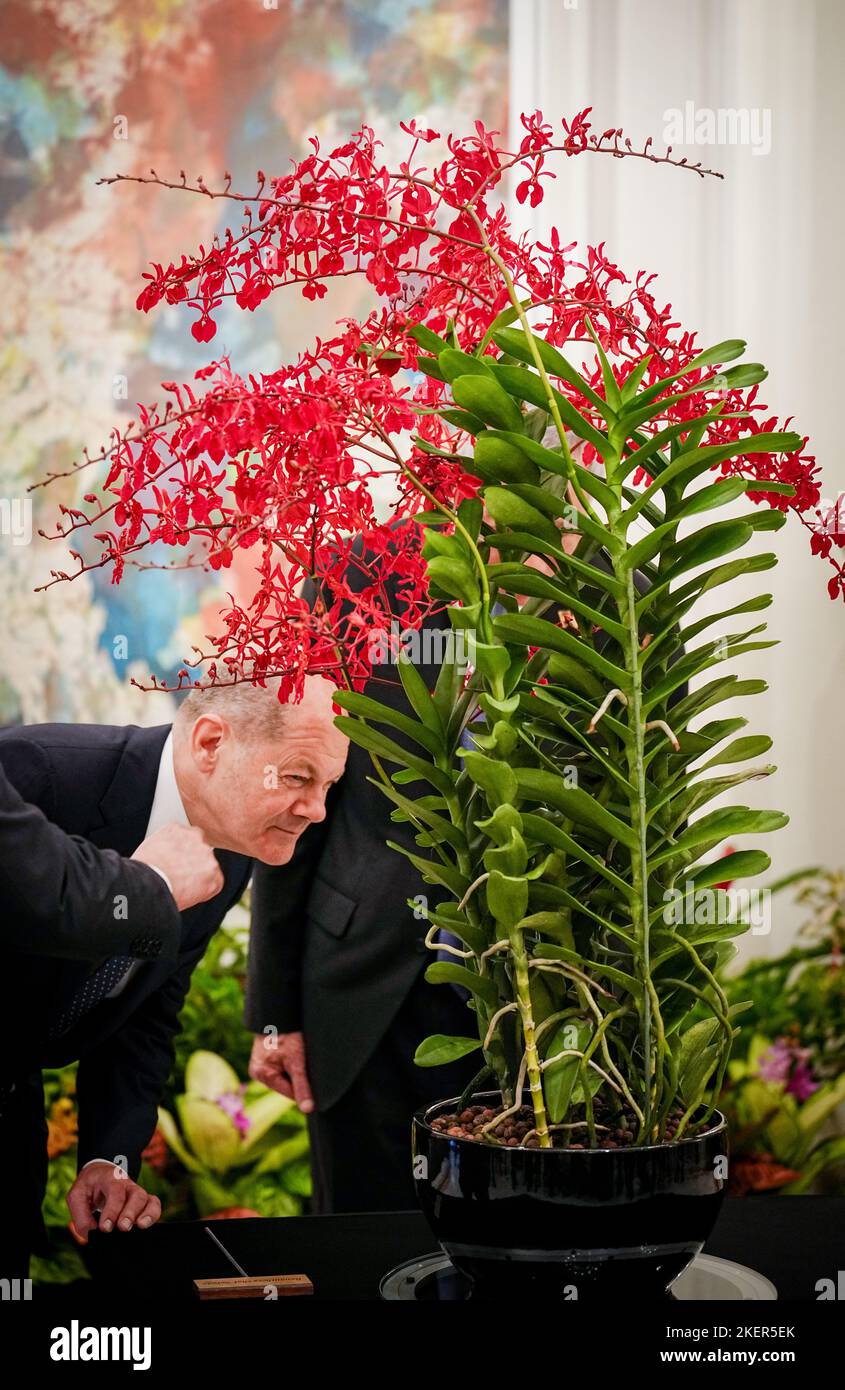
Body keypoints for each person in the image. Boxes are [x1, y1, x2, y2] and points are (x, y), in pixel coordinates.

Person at [0, 675, 348, 1274]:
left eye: (328, 786)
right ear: (210, 742)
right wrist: (142, 890)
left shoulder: (233, 852)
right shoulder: (41, 772)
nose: (316, 810)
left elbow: (144, 1011)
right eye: (297, 778)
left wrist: (108, 1158)